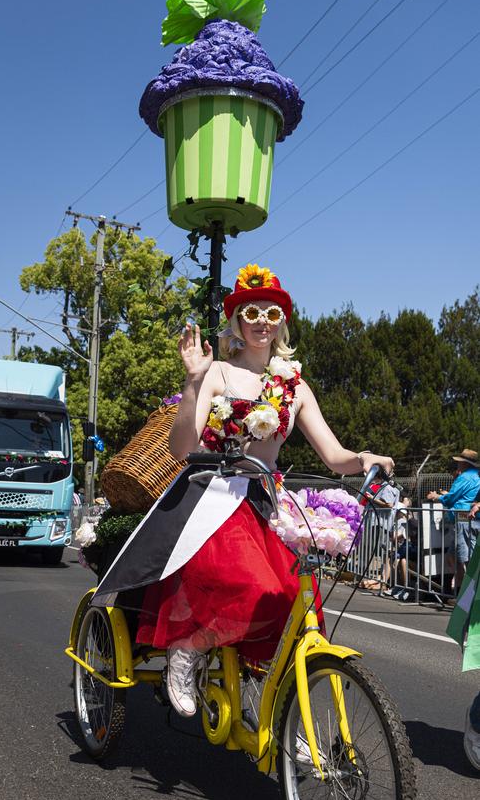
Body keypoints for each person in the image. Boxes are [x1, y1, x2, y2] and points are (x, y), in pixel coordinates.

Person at [91, 265, 394, 717]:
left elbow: (335, 456)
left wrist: (364, 458)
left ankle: (291, 718)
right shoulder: (216, 373)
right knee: (248, 582)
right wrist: (193, 381)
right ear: (237, 321)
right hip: (211, 495)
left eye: (271, 313)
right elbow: (181, 448)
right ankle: (187, 650)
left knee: (295, 601)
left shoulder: (295, 386)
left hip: (265, 501)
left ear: (281, 323)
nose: (261, 321)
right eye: (251, 311)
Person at [427, 449, 480, 592]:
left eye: (458, 462)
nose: (456, 464)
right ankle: (458, 590)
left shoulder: (465, 477)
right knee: (454, 555)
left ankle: (468, 597)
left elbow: (451, 499)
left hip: (463, 519)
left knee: (467, 559)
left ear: (464, 463)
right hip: (468, 519)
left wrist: (436, 497)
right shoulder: (476, 476)